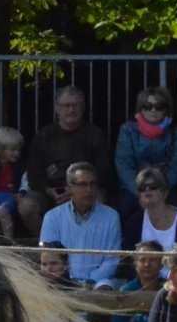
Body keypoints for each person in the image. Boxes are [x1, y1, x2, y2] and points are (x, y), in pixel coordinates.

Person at [25, 86, 112, 221]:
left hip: (86, 188)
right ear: (57, 108)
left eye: (75, 105)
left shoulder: (95, 135)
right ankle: (44, 239)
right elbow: (33, 173)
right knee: (27, 206)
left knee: (99, 200)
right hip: (50, 192)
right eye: (66, 105)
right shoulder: (44, 136)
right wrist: (48, 190)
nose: (71, 110)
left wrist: (75, 190)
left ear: (83, 108)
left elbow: (104, 170)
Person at [37, 161, 121, 288]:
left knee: (105, 287)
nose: (89, 190)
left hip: (98, 282)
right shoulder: (52, 217)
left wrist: (89, 281)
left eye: (93, 184)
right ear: (70, 187)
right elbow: (48, 258)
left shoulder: (111, 216)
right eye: (83, 184)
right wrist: (70, 282)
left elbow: (111, 260)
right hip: (62, 281)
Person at [115, 86, 177, 215]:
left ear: (166, 109)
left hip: (165, 187)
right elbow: (124, 165)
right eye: (147, 106)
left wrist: (160, 191)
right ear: (140, 108)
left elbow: (176, 165)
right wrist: (141, 191)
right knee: (125, 209)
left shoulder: (175, 132)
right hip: (134, 188)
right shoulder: (127, 130)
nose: (153, 110)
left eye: (159, 106)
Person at [122, 167, 177, 253]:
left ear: (165, 192)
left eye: (153, 187)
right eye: (142, 188)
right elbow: (128, 259)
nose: (147, 190)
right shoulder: (134, 222)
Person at [111, 241, 165, 322]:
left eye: (152, 260)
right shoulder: (126, 291)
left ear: (161, 264)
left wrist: (137, 321)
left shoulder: (168, 289)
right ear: (135, 264)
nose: (147, 264)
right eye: (142, 260)